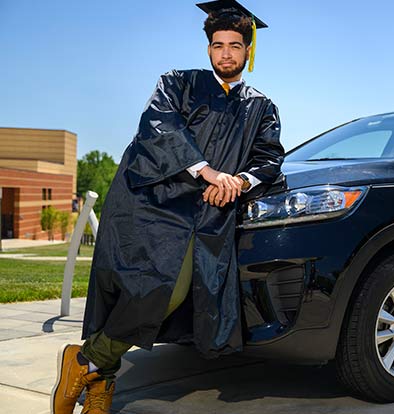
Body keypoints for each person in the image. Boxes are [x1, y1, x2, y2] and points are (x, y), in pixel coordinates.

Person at [50, 2, 284, 413]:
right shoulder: (178, 83)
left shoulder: (261, 106)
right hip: (152, 204)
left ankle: (86, 361)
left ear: (248, 49)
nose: (225, 53)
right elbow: (159, 127)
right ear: (208, 48)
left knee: (173, 291)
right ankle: (99, 382)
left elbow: (269, 158)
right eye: (217, 45)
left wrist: (237, 182)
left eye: (234, 45)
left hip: (210, 213)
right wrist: (209, 173)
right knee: (139, 288)